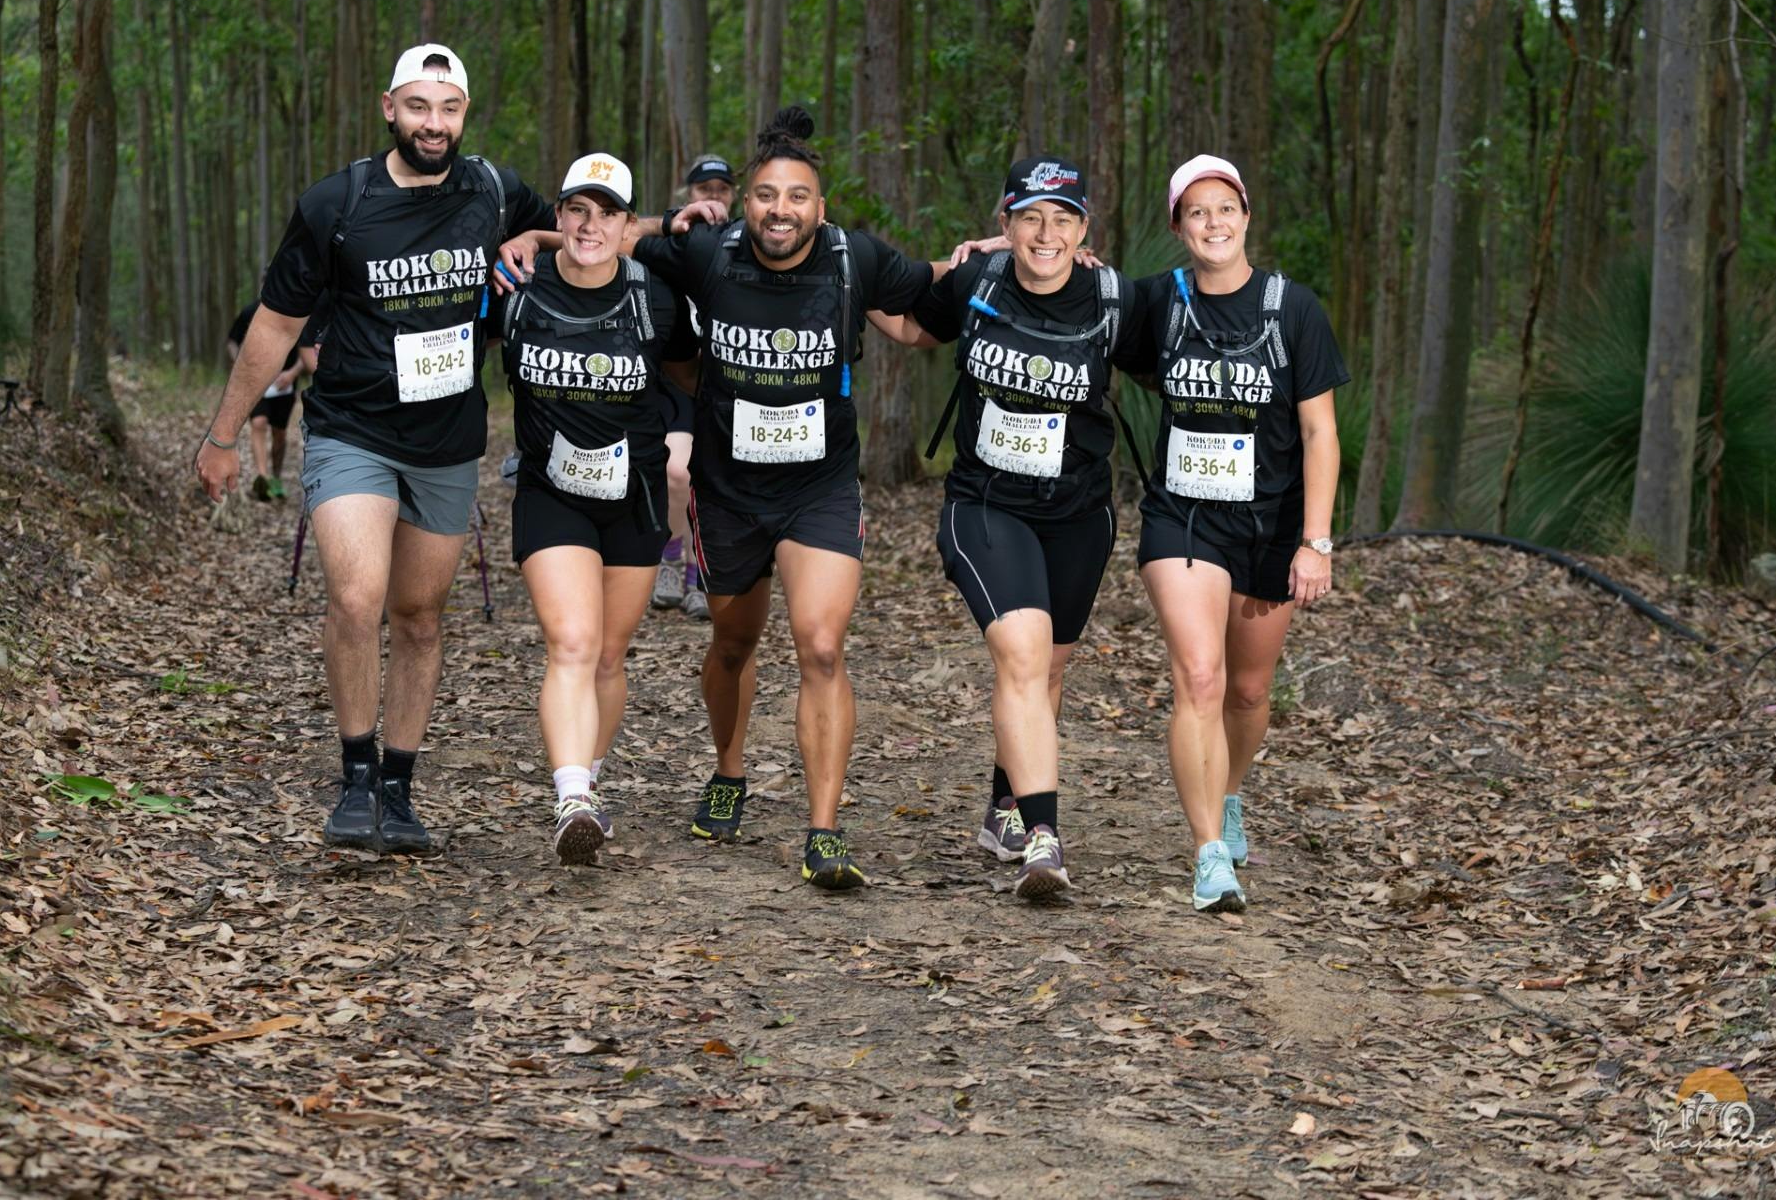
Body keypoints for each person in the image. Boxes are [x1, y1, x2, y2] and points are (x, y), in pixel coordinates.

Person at [503, 108, 957, 890]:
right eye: (767, 194)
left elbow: (935, 307)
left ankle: (823, 829)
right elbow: (611, 233)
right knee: (734, 642)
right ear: (743, 202)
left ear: (821, 204)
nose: (782, 209)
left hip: (818, 484)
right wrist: (537, 238)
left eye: (799, 196)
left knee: (820, 644)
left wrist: (1001, 258)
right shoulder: (708, 250)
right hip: (729, 489)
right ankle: (729, 767)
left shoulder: (855, 259)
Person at [195, 44, 559, 854]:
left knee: (420, 616)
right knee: (358, 597)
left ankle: (399, 788)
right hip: (353, 429)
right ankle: (355, 778)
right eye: (420, 107)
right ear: (389, 108)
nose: (435, 124)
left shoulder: (492, 191)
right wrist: (225, 433)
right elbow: (276, 324)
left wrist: (557, 239)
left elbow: (580, 227)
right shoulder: (337, 203)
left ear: (465, 113)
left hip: (447, 442)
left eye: (450, 108)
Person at [895, 156, 1155, 900]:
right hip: (985, 501)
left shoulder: (1113, 298)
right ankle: (1044, 837)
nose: (1047, 233)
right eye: (1031, 217)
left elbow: (1163, 363)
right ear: (1006, 222)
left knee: (1047, 670)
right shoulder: (977, 282)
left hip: (1078, 510)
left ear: (1084, 230)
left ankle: (1005, 807)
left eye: (1063, 219)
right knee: (1021, 651)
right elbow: (911, 322)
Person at [1134, 154, 1347, 913]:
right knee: (1200, 676)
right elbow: (1077, 313)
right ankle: (1207, 853)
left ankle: (1227, 793)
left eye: (1225, 208)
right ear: (1178, 228)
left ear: (1247, 216)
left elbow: (1321, 433)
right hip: (1183, 517)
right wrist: (1017, 248)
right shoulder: (1159, 302)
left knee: (1250, 689)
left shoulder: (1293, 308)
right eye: (1197, 212)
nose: (1213, 223)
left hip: (1271, 522)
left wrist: (1314, 541)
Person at [497, 152, 694, 864]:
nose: (589, 224)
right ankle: (572, 794)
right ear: (559, 217)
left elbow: (699, 368)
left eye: (605, 212)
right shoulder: (516, 287)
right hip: (551, 494)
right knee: (573, 643)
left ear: (625, 224)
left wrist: (686, 439)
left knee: (609, 654)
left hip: (634, 496)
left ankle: (591, 778)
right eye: (576, 209)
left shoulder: (657, 297)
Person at [652, 154, 740, 621]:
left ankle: (698, 574)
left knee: (715, 479)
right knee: (678, 472)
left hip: (732, 383)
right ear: (688, 196)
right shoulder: (671, 243)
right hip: (678, 379)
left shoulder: (748, 240)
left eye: (722, 189)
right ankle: (670, 557)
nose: (713, 197)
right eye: (704, 189)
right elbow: (617, 240)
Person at [224, 299, 327, 501]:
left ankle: (276, 477)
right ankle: (262, 478)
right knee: (258, 422)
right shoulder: (250, 311)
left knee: (279, 433)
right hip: (256, 382)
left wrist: (293, 373)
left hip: (284, 384)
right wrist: (240, 363)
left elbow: (306, 346)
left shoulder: (297, 311)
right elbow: (231, 341)